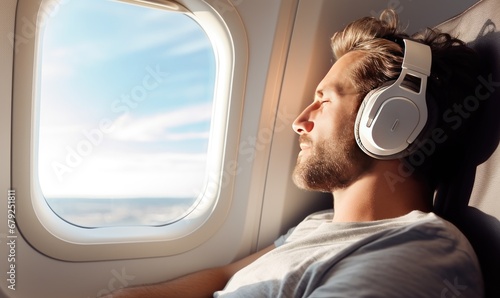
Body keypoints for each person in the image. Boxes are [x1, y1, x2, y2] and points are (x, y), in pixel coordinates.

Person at [106, 9, 483, 298]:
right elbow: (223, 277)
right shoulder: (317, 226)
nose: (299, 122)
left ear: (392, 119)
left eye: (323, 101)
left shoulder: (415, 252)